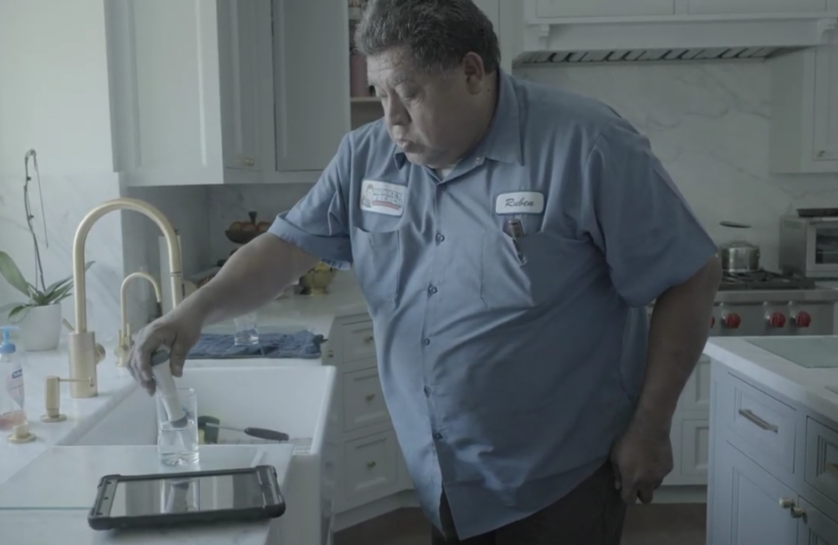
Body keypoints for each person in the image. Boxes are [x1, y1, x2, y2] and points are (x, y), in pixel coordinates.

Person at [129, 0, 722, 542]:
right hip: (442, 481)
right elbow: (284, 248)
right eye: (378, 93)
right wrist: (194, 310)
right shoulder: (366, 156)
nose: (390, 119)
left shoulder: (587, 144)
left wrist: (651, 425)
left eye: (407, 93)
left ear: (472, 73)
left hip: (559, 483)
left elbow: (689, 275)